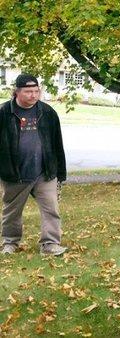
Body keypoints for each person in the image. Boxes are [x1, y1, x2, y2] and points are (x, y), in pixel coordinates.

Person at [0, 74, 67, 256]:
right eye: (28, 91)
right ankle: (10, 243)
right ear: (16, 92)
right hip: (14, 173)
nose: (33, 95)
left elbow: (56, 143)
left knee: (51, 209)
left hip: (43, 172)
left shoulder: (47, 113)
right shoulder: (4, 113)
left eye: (36, 91)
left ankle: (50, 244)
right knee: (12, 211)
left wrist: (60, 172)